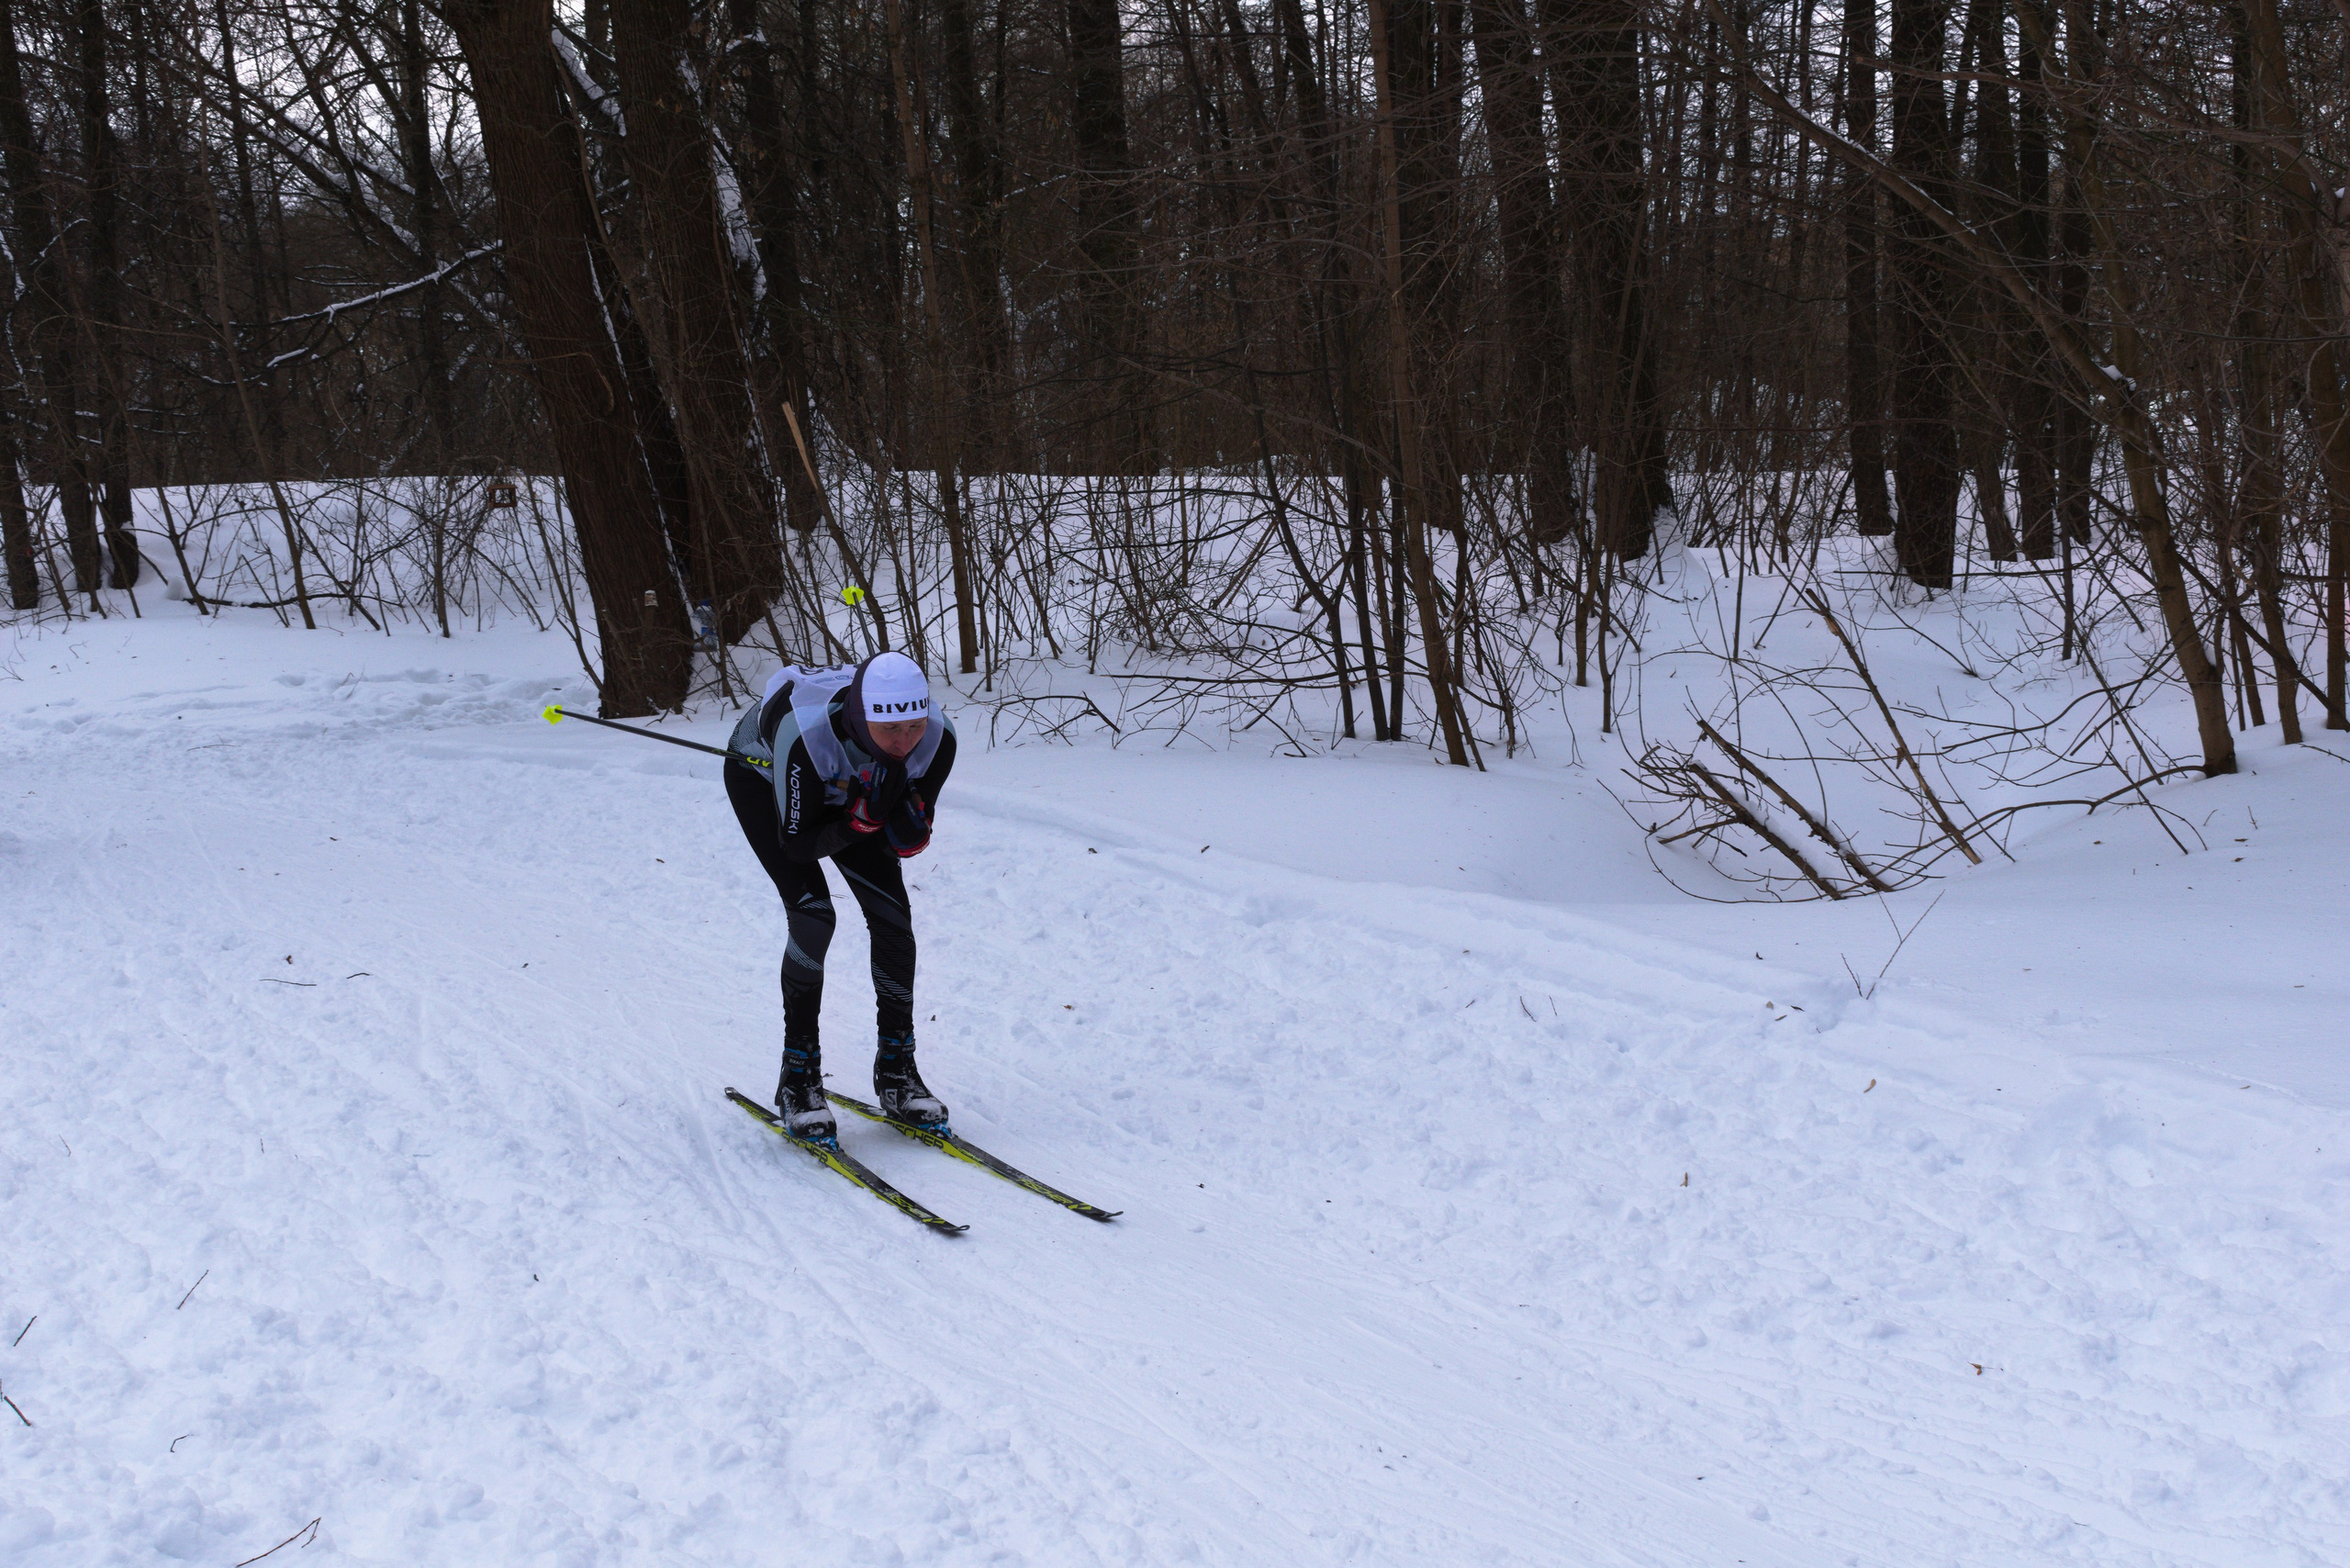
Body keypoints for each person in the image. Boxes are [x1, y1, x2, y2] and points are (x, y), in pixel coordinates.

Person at [725, 652, 957, 1142]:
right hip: (769, 778)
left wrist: (906, 827)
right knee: (813, 915)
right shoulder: (806, 732)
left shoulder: (938, 737)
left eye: (913, 727)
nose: (903, 742)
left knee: (893, 919)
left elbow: (907, 836)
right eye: (890, 730)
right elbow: (799, 843)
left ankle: (897, 1069)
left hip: (847, 793)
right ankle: (799, 1075)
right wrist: (859, 820)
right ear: (861, 715)